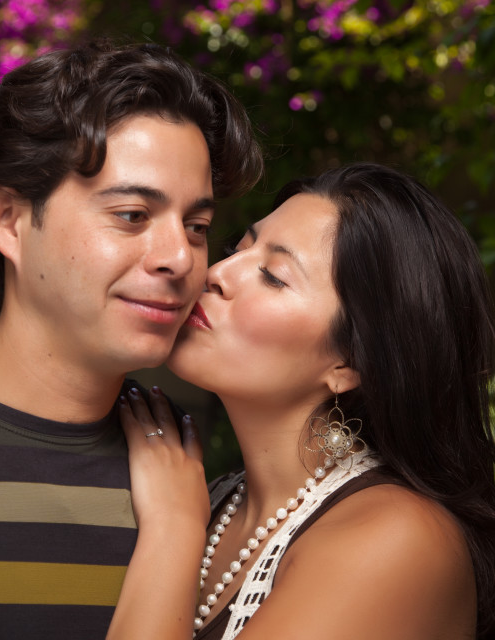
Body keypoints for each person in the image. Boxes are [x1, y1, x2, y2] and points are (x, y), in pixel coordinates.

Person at [0, 40, 263, 638]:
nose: (181, 258)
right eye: (131, 215)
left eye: (197, 227)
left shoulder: (194, 483)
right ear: (10, 220)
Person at [111, 162, 495, 640]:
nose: (215, 273)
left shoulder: (399, 540)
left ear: (348, 364)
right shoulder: (213, 499)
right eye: (237, 248)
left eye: (273, 275)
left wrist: (173, 528)